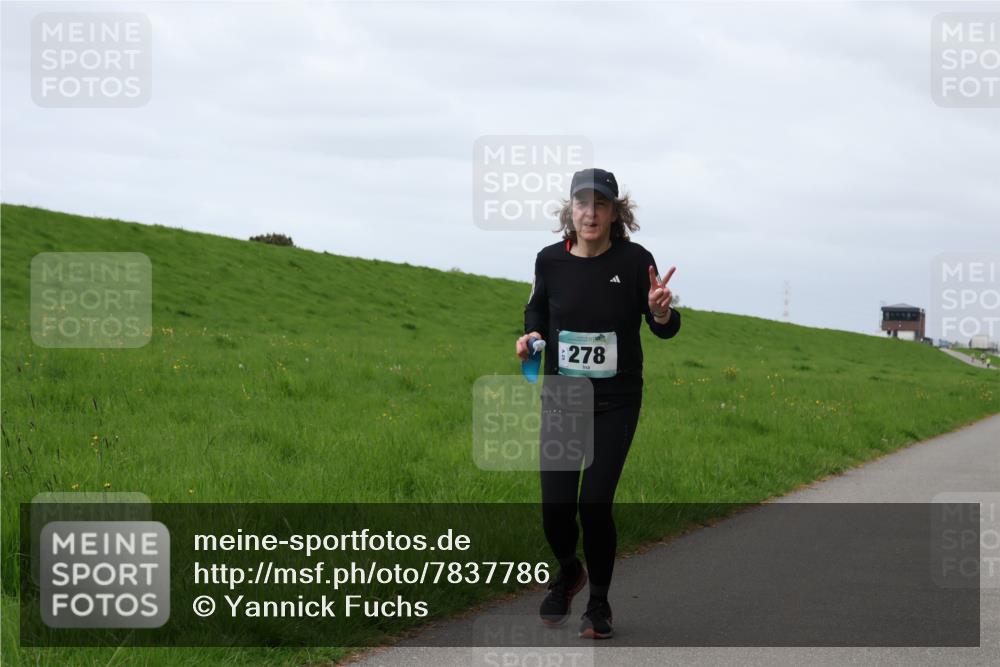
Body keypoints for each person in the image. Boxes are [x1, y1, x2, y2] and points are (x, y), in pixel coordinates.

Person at [515, 168, 682, 639]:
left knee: (594, 503)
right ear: (570, 210)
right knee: (555, 509)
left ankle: (600, 603)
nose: (590, 213)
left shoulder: (634, 262)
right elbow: (538, 310)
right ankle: (569, 570)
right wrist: (530, 335)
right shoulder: (549, 261)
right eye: (582, 204)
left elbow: (665, 327)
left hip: (616, 401)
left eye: (601, 205)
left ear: (615, 213)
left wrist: (660, 309)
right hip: (563, 399)